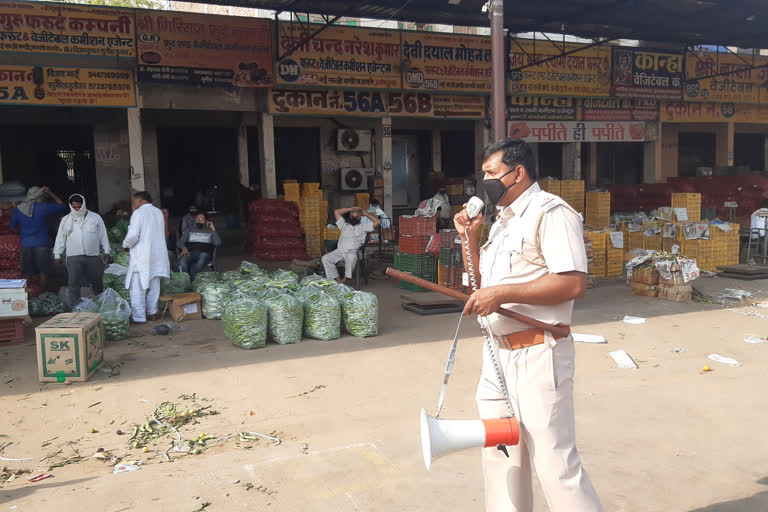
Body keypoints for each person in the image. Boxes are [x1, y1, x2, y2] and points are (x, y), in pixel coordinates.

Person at [455, 138, 602, 512]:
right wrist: (469, 239)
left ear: (517, 172)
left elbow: (572, 283)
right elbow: (478, 288)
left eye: (490, 173)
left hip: (538, 354)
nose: (484, 182)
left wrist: (501, 294)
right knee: (502, 456)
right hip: (497, 357)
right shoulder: (501, 223)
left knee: (555, 464)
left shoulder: (550, 213)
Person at [122, 192, 170, 323]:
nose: (133, 204)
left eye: (134, 201)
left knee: (138, 288)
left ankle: (139, 317)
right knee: (154, 286)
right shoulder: (158, 212)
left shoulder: (138, 213)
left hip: (142, 256)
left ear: (140, 200)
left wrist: (125, 245)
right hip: (158, 256)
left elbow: (133, 236)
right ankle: (152, 313)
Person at [53, 194, 111, 298]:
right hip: (73, 256)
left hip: (93, 255)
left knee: (97, 281)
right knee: (73, 282)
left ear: (83, 205)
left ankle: (99, 302)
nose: (77, 209)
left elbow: (103, 235)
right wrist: (57, 255)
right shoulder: (66, 220)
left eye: (79, 207)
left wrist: (107, 250)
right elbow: (60, 238)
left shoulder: (95, 217)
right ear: (70, 206)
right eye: (74, 207)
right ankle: (74, 306)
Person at [10, 186, 68, 291]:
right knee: (43, 273)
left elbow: (13, 226)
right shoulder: (43, 207)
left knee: (27, 274)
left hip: (26, 245)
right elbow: (62, 205)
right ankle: (41, 295)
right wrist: (50, 193)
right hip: (42, 244)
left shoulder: (18, 210)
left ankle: (28, 297)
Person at [321, 206, 380, 284]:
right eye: (352, 216)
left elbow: (378, 222)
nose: (354, 218)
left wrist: (365, 213)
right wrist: (350, 209)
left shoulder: (364, 226)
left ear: (360, 217)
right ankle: (338, 280)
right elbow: (336, 212)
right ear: (349, 216)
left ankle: (345, 280)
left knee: (351, 257)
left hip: (353, 252)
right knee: (325, 258)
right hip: (340, 251)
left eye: (356, 217)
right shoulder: (343, 225)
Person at [177, 212, 221, 280]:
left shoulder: (210, 231)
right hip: (190, 253)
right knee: (182, 263)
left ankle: (192, 279)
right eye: (197, 219)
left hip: (204, 253)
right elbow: (179, 243)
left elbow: (218, 243)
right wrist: (184, 248)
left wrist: (213, 229)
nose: (199, 221)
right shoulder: (190, 230)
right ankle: (187, 280)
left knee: (202, 258)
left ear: (206, 221)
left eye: (201, 220)